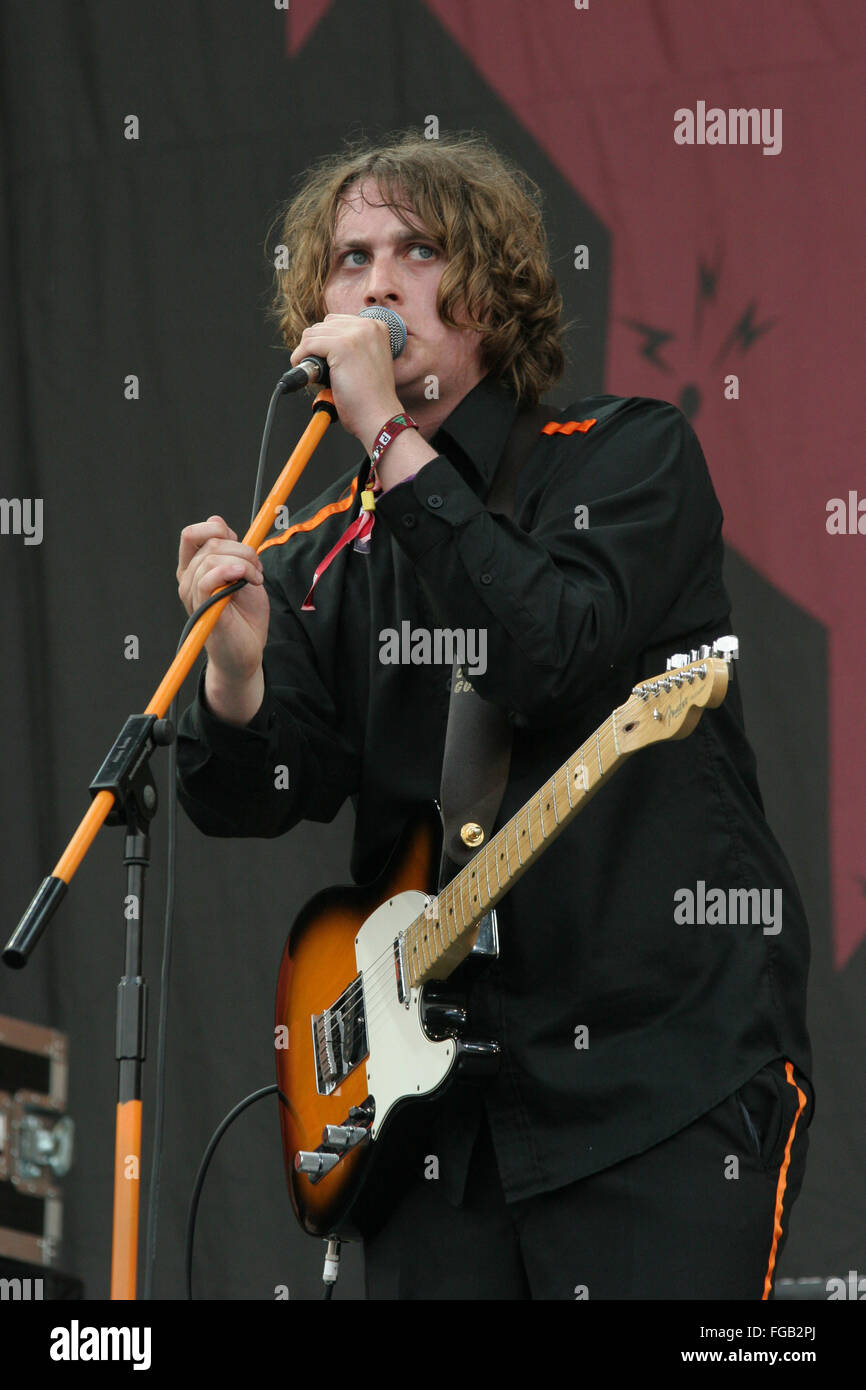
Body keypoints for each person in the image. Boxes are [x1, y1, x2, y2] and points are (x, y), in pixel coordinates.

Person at [175, 131, 813, 1300]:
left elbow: (549, 652)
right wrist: (233, 672)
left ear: (491, 293)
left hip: (650, 1087)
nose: (377, 282)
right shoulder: (321, 556)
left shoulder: (626, 457)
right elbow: (250, 793)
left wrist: (388, 442)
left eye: (418, 251)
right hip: (435, 1139)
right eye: (349, 258)